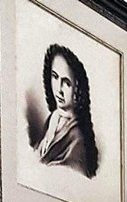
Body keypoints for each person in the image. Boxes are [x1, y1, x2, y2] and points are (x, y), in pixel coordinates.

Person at [33, 44, 98, 178]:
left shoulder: (78, 138)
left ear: (78, 90)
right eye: (55, 77)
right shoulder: (53, 120)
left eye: (67, 83)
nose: (59, 89)